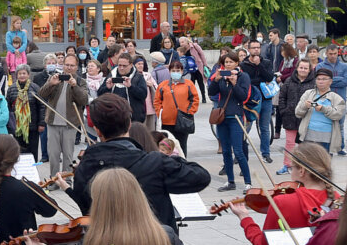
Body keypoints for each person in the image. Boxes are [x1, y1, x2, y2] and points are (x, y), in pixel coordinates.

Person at [66, 93, 210, 231]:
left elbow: (85, 207)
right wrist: (169, 158)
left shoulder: (85, 168)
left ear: (97, 130)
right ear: (129, 124)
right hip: (152, 244)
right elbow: (201, 177)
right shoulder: (155, 163)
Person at [208, 52, 252, 191]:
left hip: (236, 117)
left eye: (231, 62)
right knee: (226, 151)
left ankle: (248, 182)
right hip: (222, 117)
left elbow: (243, 96)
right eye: (225, 62)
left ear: (237, 63)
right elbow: (211, 92)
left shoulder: (243, 77)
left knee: (238, 151)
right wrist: (216, 79)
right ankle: (230, 181)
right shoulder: (221, 76)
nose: (228, 64)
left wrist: (234, 84)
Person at [152, 59, 199, 157]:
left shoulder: (188, 84)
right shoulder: (163, 85)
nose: (175, 73)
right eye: (173, 71)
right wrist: (160, 112)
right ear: (169, 72)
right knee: (165, 146)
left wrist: (189, 112)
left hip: (182, 121)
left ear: (182, 71)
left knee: (182, 146)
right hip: (166, 121)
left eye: (178, 71)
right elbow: (157, 101)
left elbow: (195, 99)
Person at [295, 67, 345, 153]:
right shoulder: (308, 93)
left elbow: (338, 115)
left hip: (326, 137)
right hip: (308, 135)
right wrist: (305, 106)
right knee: (306, 164)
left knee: (323, 164)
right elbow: (297, 113)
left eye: (324, 79)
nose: (320, 81)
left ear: (331, 81)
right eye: (318, 79)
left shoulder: (336, 98)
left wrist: (323, 109)